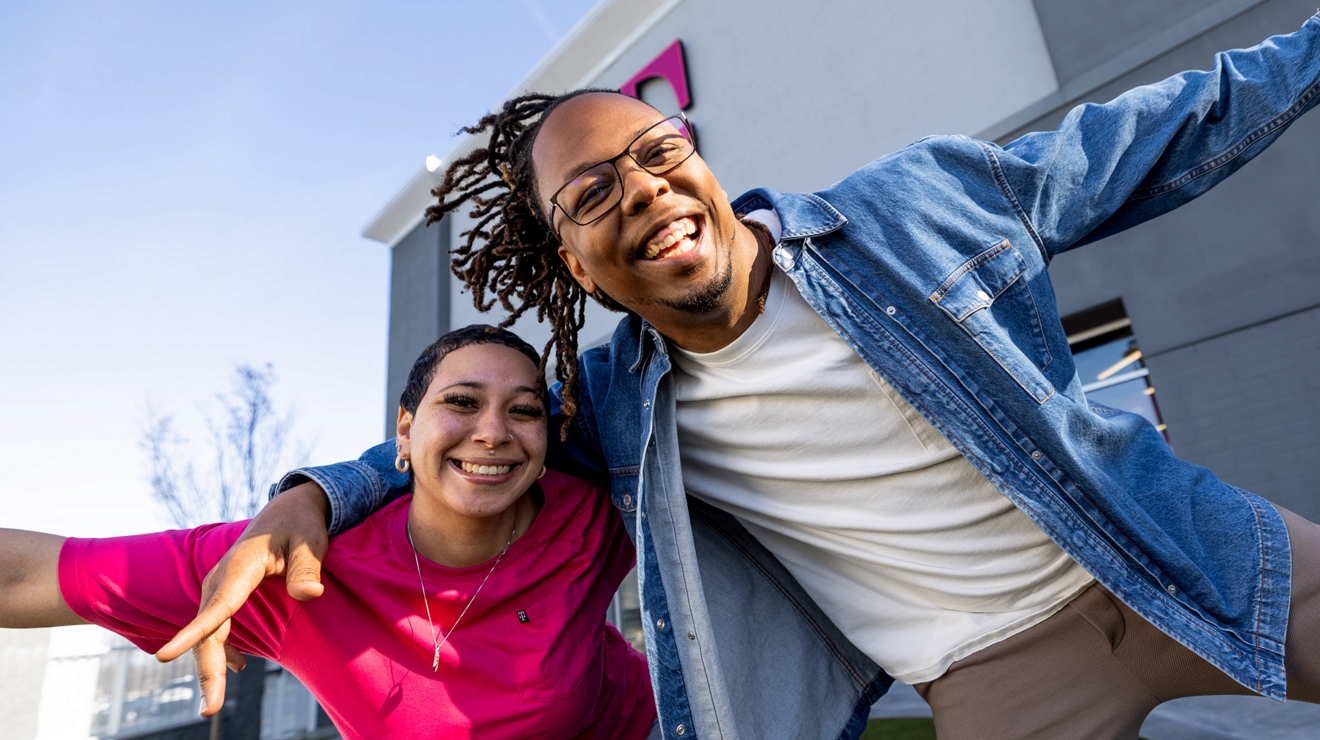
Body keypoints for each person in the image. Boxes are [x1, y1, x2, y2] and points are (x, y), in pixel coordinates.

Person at [167, 12, 1320, 740]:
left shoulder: (913, 209)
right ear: (574, 261)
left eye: (657, 155)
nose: (647, 192)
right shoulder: (617, 403)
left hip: (1170, 547)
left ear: (699, 159)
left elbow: (1172, 124)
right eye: (595, 196)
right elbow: (470, 438)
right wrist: (307, 498)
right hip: (990, 675)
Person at [0, 325, 657, 740]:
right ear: (404, 430)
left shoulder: (592, 514)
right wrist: (305, 497)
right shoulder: (288, 564)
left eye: (523, 411)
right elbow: (30, 573)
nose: (493, 432)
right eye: (460, 402)